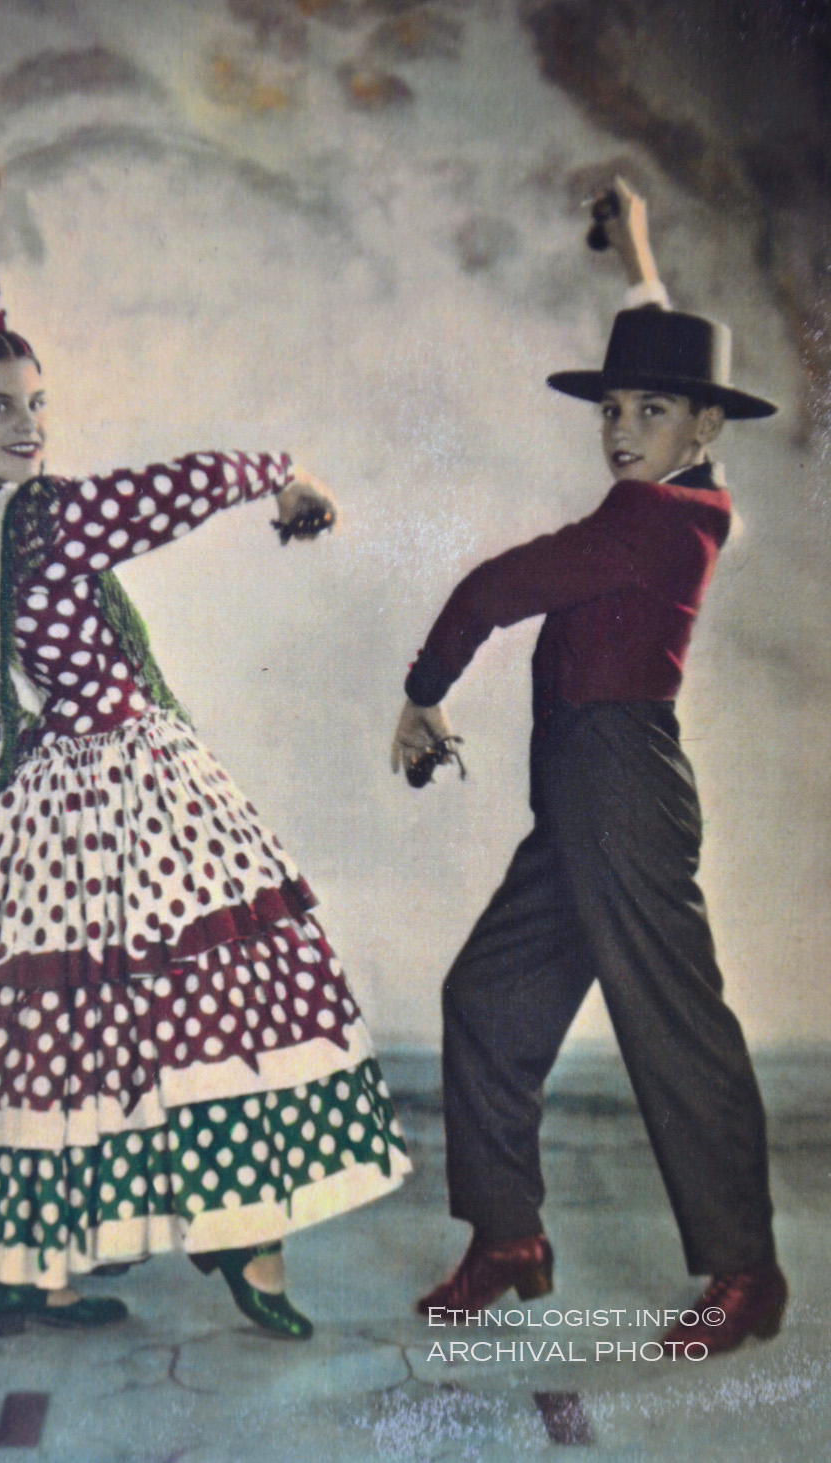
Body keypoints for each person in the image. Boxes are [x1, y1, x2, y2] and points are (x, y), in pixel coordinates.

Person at [0, 158, 410, 1342]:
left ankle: (20, 1267)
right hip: (112, 782)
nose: (30, 425)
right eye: (1, 411)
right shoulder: (37, 516)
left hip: (32, 796)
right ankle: (244, 1241)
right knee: (211, 995)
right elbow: (166, 490)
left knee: (46, 1035)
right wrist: (281, 474)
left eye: (39, 405)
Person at [391, 180, 787, 1359]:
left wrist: (421, 694)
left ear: (701, 430)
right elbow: (662, 338)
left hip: (621, 791)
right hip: (576, 801)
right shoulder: (664, 485)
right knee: (485, 997)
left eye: (651, 409)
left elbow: (487, 592)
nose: (621, 428)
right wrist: (638, 253)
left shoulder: (657, 521)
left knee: (673, 1027)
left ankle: (746, 1271)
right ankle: (509, 1238)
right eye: (611, 406)